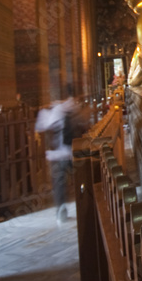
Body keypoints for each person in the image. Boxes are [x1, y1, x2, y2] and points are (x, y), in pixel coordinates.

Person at [35, 85, 82, 224]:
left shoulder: (57, 110)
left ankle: (61, 210)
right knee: (81, 179)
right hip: (77, 151)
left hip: (61, 153)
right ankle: (86, 205)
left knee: (60, 182)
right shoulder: (75, 107)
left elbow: (43, 126)